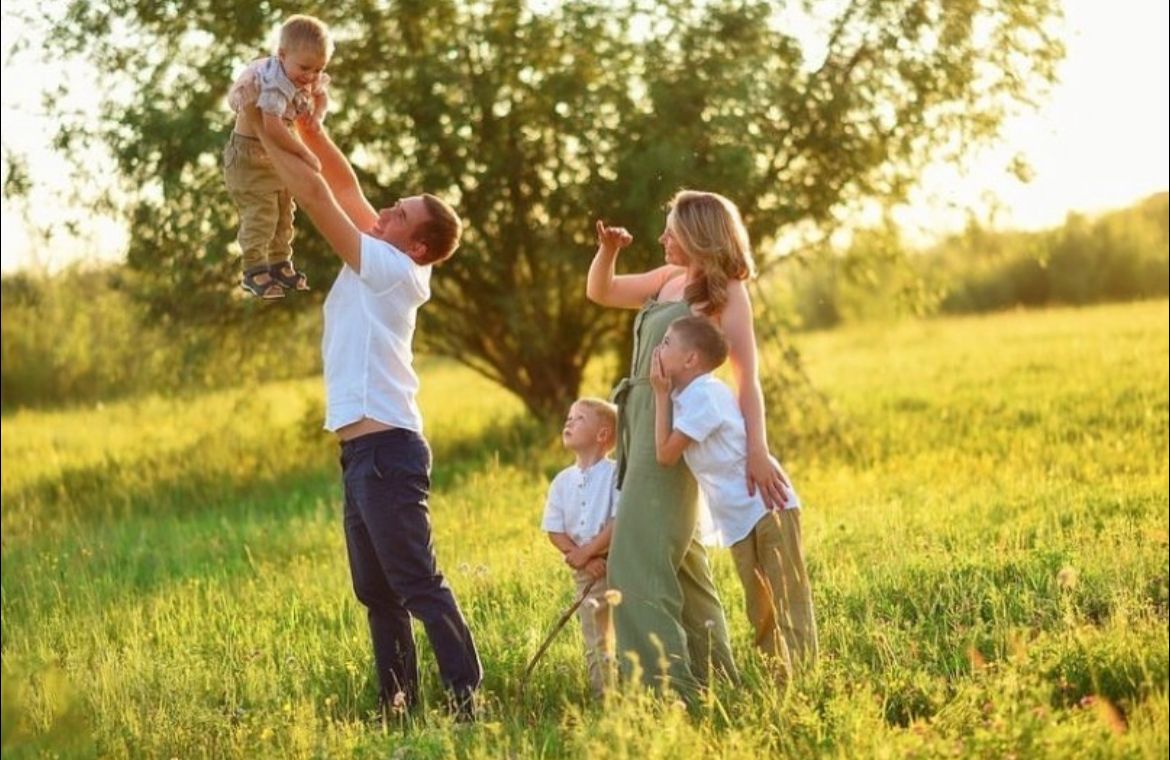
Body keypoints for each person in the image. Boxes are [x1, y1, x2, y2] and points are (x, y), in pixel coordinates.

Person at [244, 98, 482, 720]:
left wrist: (267, 127)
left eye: (399, 212)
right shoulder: (382, 253)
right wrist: (312, 129)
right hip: (361, 454)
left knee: (417, 584)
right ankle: (396, 703)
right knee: (378, 593)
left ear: (420, 245)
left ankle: (466, 698)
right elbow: (343, 183)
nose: (384, 212)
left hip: (387, 452)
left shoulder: (390, 268)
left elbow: (321, 198)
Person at [585, 189, 792, 700]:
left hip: (674, 432)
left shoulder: (725, 294)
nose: (662, 237)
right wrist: (608, 250)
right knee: (683, 562)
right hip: (639, 420)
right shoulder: (666, 279)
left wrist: (758, 451)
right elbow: (602, 291)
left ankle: (662, 688)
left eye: (671, 228)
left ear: (698, 233)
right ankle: (716, 679)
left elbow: (747, 379)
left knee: (637, 559)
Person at [649, 315, 818, 684]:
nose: (658, 350)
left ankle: (806, 681)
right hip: (739, 520)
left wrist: (659, 394)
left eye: (665, 344)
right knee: (760, 608)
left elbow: (665, 454)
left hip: (767, 507)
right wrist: (665, 396)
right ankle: (780, 681)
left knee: (788, 599)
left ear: (691, 360)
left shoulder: (705, 396)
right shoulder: (685, 397)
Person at [224, 14, 332, 299]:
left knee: (285, 208)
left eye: (318, 68)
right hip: (249, 156)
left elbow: (322, 96)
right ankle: (254, 269)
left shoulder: (308, 75)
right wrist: (304, 152)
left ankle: (279, 261)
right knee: (262, 213)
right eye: (305, 68)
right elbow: (272, 127)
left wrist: (316, 117)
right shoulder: (275, 82)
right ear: (282, 55)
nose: (310, 76)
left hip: (275, 151)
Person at [541, 398, 620, 698]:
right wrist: (584, 561)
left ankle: (635, 689)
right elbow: (554, 530)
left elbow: (618, 521)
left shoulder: (614, 474)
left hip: (619, 563)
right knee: (595, 637)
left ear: (602, 435)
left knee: (625, 631)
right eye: (569, 417)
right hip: (587, 574)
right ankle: (605, 697)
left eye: (579, 418)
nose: (569, 422)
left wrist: (588, 552)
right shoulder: (562, 482)